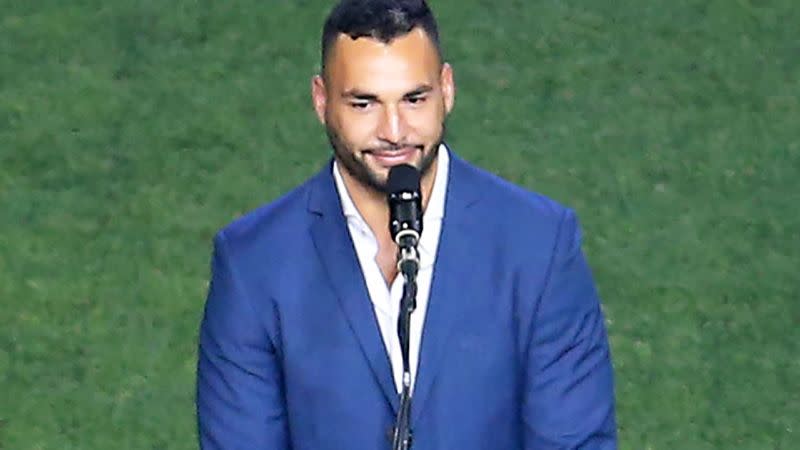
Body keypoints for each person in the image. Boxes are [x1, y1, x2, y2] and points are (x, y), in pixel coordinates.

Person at [196, 0, 617, 448]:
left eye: (414, 99)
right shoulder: (253, 264)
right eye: (364, 103)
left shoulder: (539, 244)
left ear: (447, 89)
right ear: (321, 101)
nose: (394, 131)